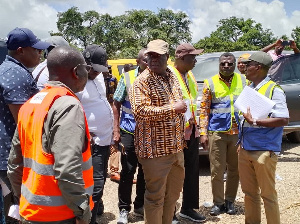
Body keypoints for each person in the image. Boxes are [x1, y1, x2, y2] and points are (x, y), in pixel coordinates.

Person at [7, 46, 94, 224]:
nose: (87, 71)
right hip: (60, 215)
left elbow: (14, 165)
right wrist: (82, 211)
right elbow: (67, 169)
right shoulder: (68, 105)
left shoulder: (31, 103)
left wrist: (24, 198)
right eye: (85, 67)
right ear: (76, 71)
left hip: (30, 211)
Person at [129, 39, 187, 224]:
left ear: (167, 57)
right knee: (155, 198)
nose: (153, 59)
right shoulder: (141, 81)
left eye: (157, 56)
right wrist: (173, 109)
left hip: (176, 148)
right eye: (150, 55)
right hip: (155, 152)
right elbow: (140, 111)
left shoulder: (172, 75)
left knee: (172, 197)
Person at [0, 27, 50, 223]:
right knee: (16, 209)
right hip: (11, 157)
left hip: (6, 155)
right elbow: (25, 122)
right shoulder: (16, 74)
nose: (40, 53)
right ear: (20, 51)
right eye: (35, 49)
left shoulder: (7, 69)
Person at [238, 51, 289, 224]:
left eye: (248, 64)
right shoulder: (251, 88)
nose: (244, 67)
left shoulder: (274, 90)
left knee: (268, 195)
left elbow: (283, 119)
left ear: (258, 67)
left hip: (263, 150)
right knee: (249, 194)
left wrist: (257, 121)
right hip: (245, 148)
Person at [199, 52, 247, 216]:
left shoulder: (243, 81)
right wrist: (203, 133)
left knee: (235, 170)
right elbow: (204, 110)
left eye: (230, 64)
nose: (226, 66)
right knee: (216, 170)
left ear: (234, 65)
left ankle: (230, 201)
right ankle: (218, 203)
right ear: (219, 65)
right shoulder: (210, 83)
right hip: (217, 132)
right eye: (223, 64)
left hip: (237, 133)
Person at [168, 43, 206, 223]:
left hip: (191, 131)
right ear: (182, 58)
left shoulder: (189, 74)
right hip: (174, 132)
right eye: (193, 57)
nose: (196, 60)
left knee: (192, 170)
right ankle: (170, 211)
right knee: (173, 172)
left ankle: (188, 208)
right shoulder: (168, 75)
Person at [76, 44, 113, 224]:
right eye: (94, 69)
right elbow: (73, 112)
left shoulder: (98, 78)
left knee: (100, 180)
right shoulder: (76, 81)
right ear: (85, 64)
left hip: (105, 139)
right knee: (94, 184)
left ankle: (94, 212)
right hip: (91, 142)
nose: (97, 73)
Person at [112, 48, 147, 224]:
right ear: (137, 61)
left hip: (148, 134)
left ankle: (140, 205)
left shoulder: (156, 77)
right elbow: (116, 104)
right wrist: (116, 130)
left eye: (151, 58)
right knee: (127, 171)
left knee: (145, 172)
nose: (148, 62)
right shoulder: (126, 78)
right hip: (129, 132)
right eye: (145, 59)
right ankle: (124, 209)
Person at [104, 65, 121, 183]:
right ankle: (100, 168)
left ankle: (114, 170)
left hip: (111, 108)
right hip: (99, 112)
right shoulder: (94, 80)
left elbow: (117, 97)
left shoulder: (113, 79)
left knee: (114, 140)